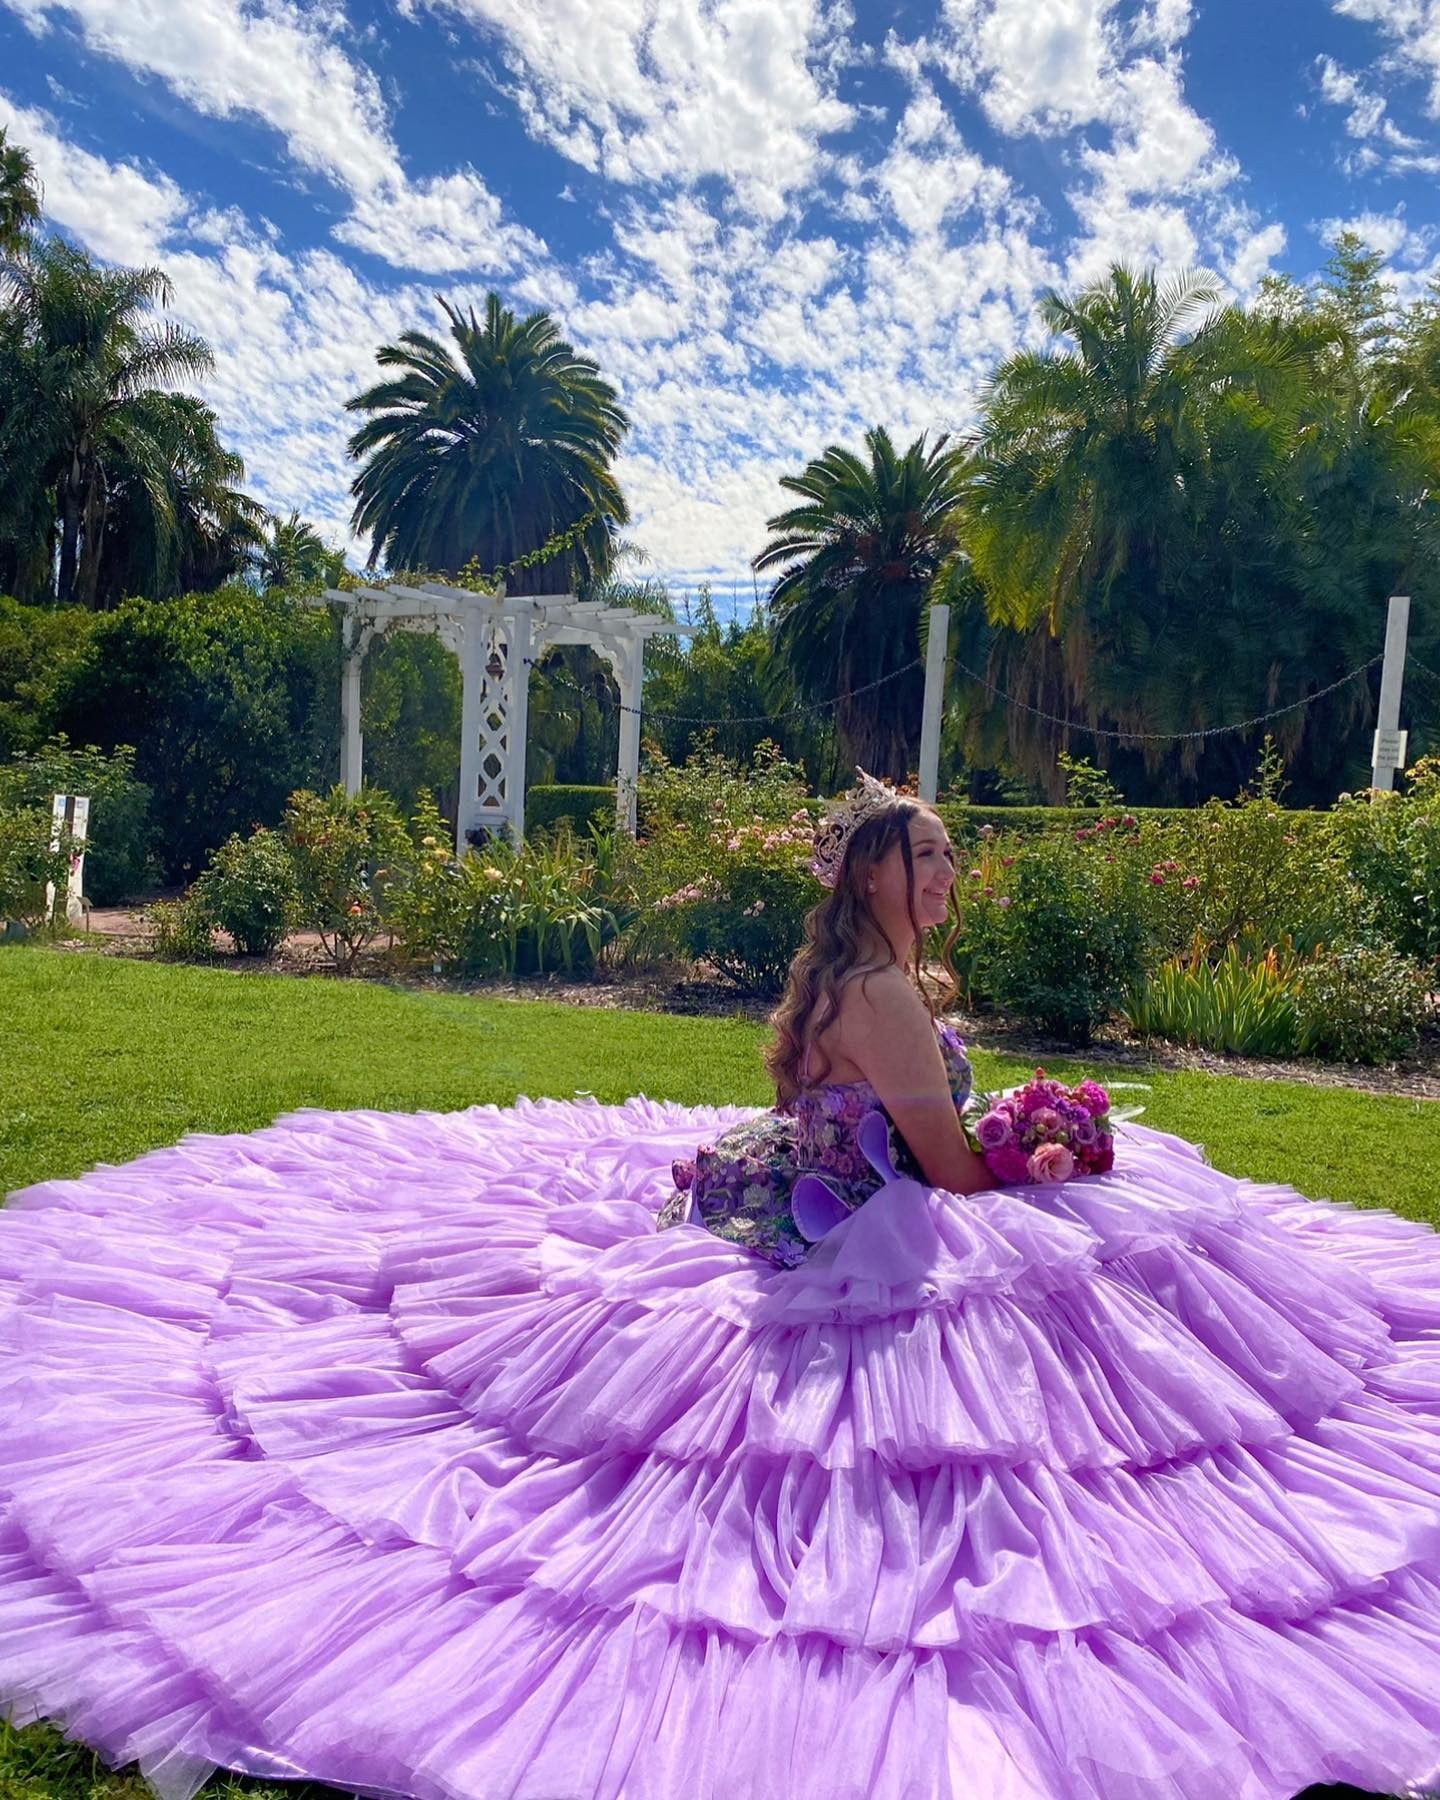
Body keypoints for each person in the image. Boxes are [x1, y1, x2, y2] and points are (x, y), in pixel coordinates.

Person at [3, 773, 1440, 1800]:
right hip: (880, 1214)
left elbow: (921, 1122)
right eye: (929, 860)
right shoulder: (885, 996)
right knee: (1093, 1284)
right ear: (876, 875)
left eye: (949, 861)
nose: (948, 881)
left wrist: (1020, 1122)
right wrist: (1052, 1152)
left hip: (838, 1179)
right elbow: (946, 1176)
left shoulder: (873, 982)